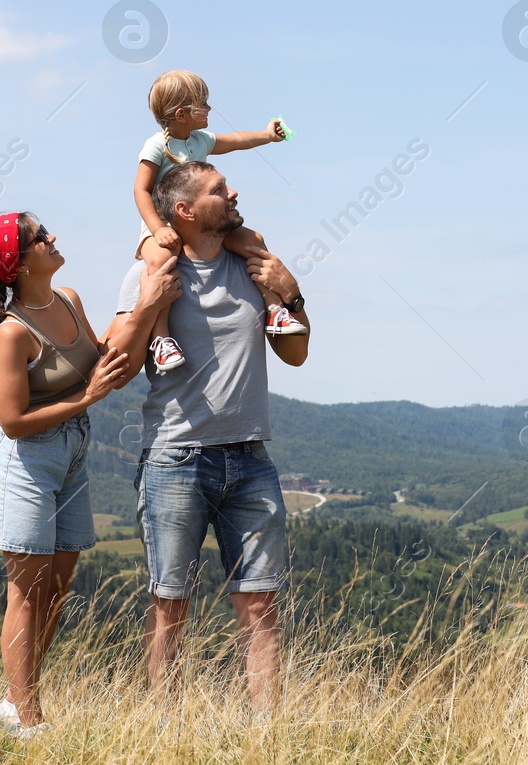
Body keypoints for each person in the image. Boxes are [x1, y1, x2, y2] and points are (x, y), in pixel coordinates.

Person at [107, 161, 310, 709]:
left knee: (261, 605)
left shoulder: (253, 265)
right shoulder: (148, 273)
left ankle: (266, 735)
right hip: (176, 459)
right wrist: (150, 302)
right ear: (185, 211)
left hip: (251, 458)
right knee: (171, 605)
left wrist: (291, 294)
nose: (234, 191)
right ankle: (166, 730)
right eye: (220, 190)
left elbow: (295, 354)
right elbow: (119, 367)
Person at [0, 211, 139, 738]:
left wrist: (145, 306)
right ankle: (27, 719)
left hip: (70, 455)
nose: (53, 237)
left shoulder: (68, 298)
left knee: (57, 588)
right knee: (25, 593)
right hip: (25, 462)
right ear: (19, 264)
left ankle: (12, 705)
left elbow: (94, 361)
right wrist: (86, 398)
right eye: (40, 237)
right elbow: (13, 421)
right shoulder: (12, 333)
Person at [133, 69, 305, 375]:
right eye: (204, 104)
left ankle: (274, 309)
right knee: (160, 263)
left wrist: (267, 136)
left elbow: (237, 141)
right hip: (160, 222)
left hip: (205, 221)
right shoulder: (157, 146)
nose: (211, 109)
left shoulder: (200, 140)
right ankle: (161, 339)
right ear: (183, 114)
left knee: (255, 242)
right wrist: (157, 229)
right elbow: (141, 190)